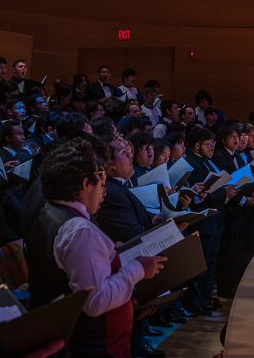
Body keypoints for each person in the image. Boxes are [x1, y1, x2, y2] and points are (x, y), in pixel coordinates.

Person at [25, 136, 165, 358]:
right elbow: (95, 301)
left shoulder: (49, 212)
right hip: (93, 342)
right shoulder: (79, 231)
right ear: (84, 184)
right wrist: (138, 269)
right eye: (101, 179)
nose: (104, 189)